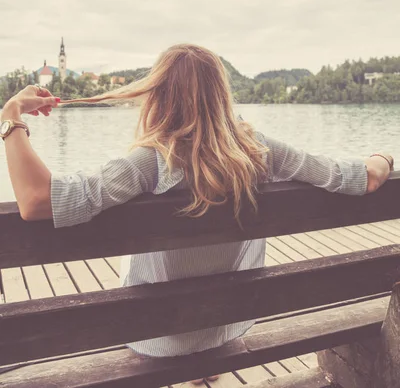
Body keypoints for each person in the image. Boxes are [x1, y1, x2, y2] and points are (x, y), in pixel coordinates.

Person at [0, 44, 394, 386]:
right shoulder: (259, 149)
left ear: (158, 95)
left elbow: (37, 201)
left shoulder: (151, 161)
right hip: (233, 320)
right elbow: (357, 178)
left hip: (154, 334)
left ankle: (190, 352)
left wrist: (12, 116)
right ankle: (203, 354)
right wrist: (381, 157)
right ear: (221, 94)